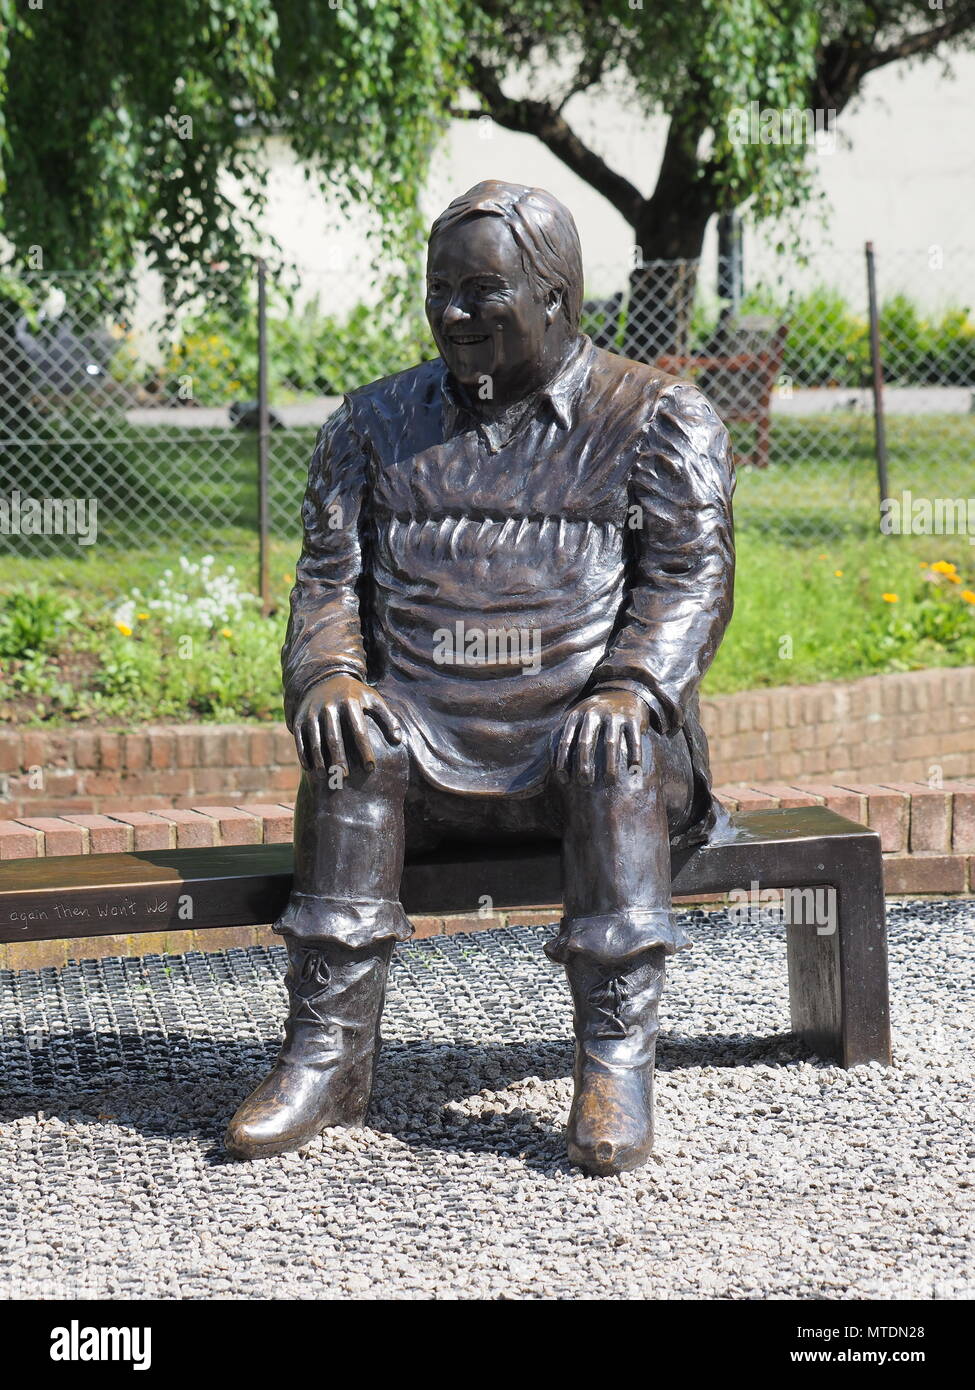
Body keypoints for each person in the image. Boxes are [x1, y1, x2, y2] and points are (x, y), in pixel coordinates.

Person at [226, 180, 736, 1175]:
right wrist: (330, 675)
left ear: (556, 298)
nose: (453, 314)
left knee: (615, 747)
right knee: (350, 742)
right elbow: (328, 582)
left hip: (585, 745)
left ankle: (615, 1060)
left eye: (482, 292)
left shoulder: (655, 418)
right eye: (440, 290)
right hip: (423, 741)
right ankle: (329, 1052)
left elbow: (690, 575)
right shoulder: (371, 426)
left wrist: (630, 686)